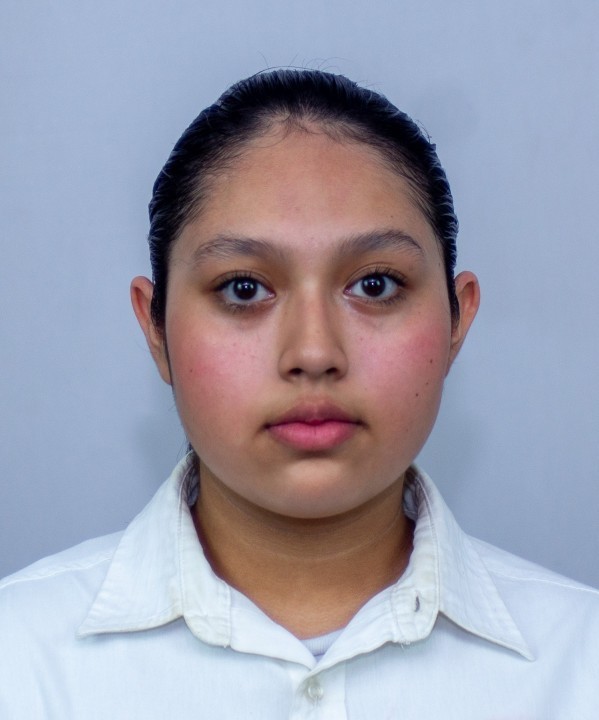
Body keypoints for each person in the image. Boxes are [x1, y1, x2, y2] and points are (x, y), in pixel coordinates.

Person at [1, 69, 598, 718]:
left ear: (457, 320)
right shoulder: (22, 659)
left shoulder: (578, 664)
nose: (313, 353)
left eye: (374, 285)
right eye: (244, 289)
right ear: (156, 328)